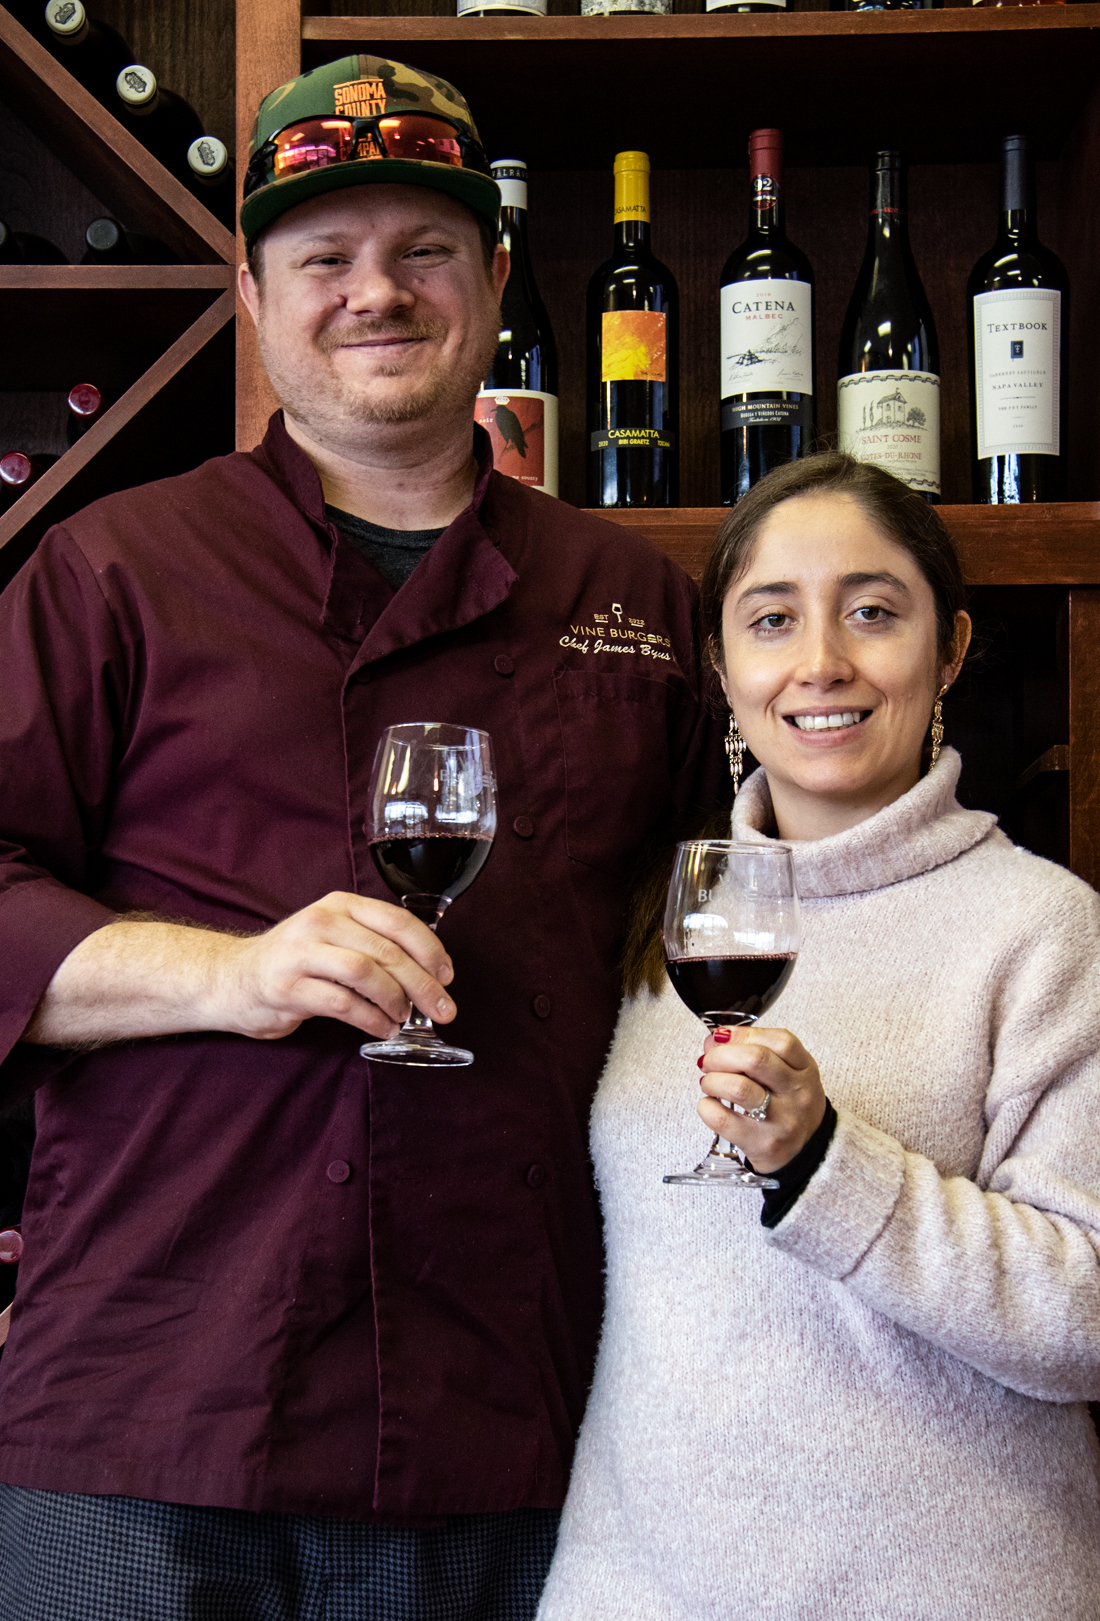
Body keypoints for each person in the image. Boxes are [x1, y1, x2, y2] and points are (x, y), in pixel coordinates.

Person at [0, 55, 724, 1620]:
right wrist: (230, 973)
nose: (374, 294)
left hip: (511, 1408)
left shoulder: (636, 601)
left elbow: (707, 949)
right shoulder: (112, 570)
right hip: (151, 1403)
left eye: (423, 253)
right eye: (324, 259)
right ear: (256, 299)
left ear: (496, 282)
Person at [537, 452, 1100, 1621]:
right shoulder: (669, 920)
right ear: (721, 667)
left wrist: (825, 1168)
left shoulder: (1041, 930)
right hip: (640, 1589)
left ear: (945, 650)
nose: (820, 662)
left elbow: (1084, 1320)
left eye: (871, 612)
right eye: (771, 619)